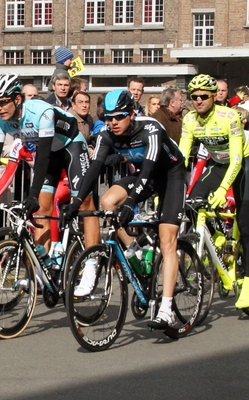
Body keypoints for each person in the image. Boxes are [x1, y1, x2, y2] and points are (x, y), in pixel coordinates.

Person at [66, 89, 186, 329]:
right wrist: (76, 202)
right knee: (108, 202)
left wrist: (132, 201)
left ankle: (166, 308)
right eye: (108, 118)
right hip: (145, 175)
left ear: (131, 114)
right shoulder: (106, 134)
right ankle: (133, 248)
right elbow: (94, 169)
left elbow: (150, 167)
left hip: (170, 174)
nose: (112, 123)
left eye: (118, 117)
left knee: (166, 239)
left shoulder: (150, 128)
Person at [0, 73, 100, 258]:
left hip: (70, 146)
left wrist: (32, 193)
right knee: (41, 209)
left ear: (17, 99)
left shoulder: (40, 111)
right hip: (48, 152)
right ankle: (44, 267)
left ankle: (92, 260)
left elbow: (44, 155)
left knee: (85, 204)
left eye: (3, 102)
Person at [179, 74, 249, 310]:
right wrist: (171, 184)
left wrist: (224, 189)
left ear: (214, 96)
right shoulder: (190, 119)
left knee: (244, 225)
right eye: (194, 97)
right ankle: (218, 236)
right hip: (217, 163)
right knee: (191, 202)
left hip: (241, 164)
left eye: (203, 96)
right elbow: (182, 156)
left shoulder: (229, 116)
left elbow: (235, 159)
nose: (199, 100)